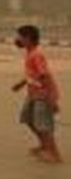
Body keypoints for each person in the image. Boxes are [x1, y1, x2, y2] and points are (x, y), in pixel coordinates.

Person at [12, 24, 62, 163]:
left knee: (43, 124)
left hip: (43, 95)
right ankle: (44, 146)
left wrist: (51, 99)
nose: (16, 39)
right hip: (33, 94)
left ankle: (55, 154)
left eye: (19, 36)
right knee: (28, 119)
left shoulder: (37, 55)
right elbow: (32, 74)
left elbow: (44, 75)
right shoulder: (30, 53)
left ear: (28, 38)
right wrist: (21, 84)